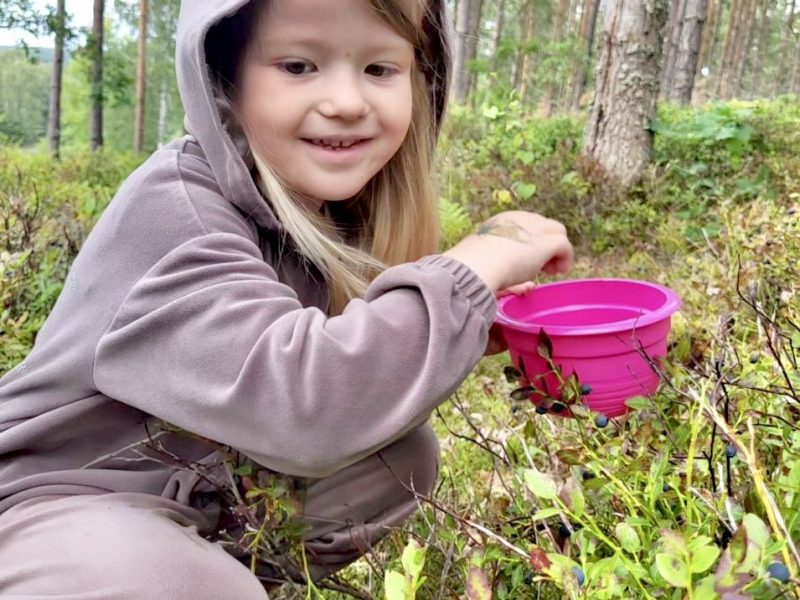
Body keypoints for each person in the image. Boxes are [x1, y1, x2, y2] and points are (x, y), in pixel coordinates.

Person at [0, 0, 573, 597]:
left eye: (380, 69)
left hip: (180, 495)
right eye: (299, 66)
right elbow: (308, 410)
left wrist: (462, 324)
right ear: (224, 78)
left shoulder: (318, 214)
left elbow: (331, 387)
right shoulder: (177, 209)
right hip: (37, 504)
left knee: (396, 459)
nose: (348, 101)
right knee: (190, 584)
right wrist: (478, 259)